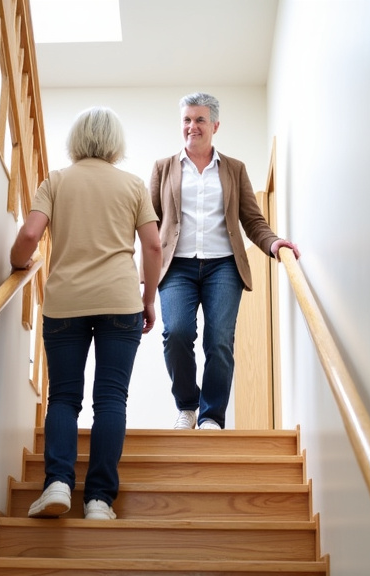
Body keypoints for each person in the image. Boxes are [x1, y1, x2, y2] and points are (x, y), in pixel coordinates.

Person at [10, 106, 162, 521]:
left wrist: (17, 263)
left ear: (76, 139)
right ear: (116, 142)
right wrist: (149, 298)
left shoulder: (56, 181)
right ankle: (98, 501)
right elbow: (153, 246)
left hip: (66, 302)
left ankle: (58, 483)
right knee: (111, 399)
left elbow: (30, 233)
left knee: (63, 396)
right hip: (120, 301)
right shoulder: (132, 185)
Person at [150, 92, 299, 431]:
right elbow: (150, 223)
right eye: (187, 120)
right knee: (176, 333)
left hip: (223, 266)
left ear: (215, 125)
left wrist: (274, 243)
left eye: (200, 120)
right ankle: (187, 406)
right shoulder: (163, 167)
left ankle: (211, 416)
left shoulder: (234, 169)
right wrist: (144, 270)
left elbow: (252, 220)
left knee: (219, 341)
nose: (192, 126)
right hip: (177, 267)